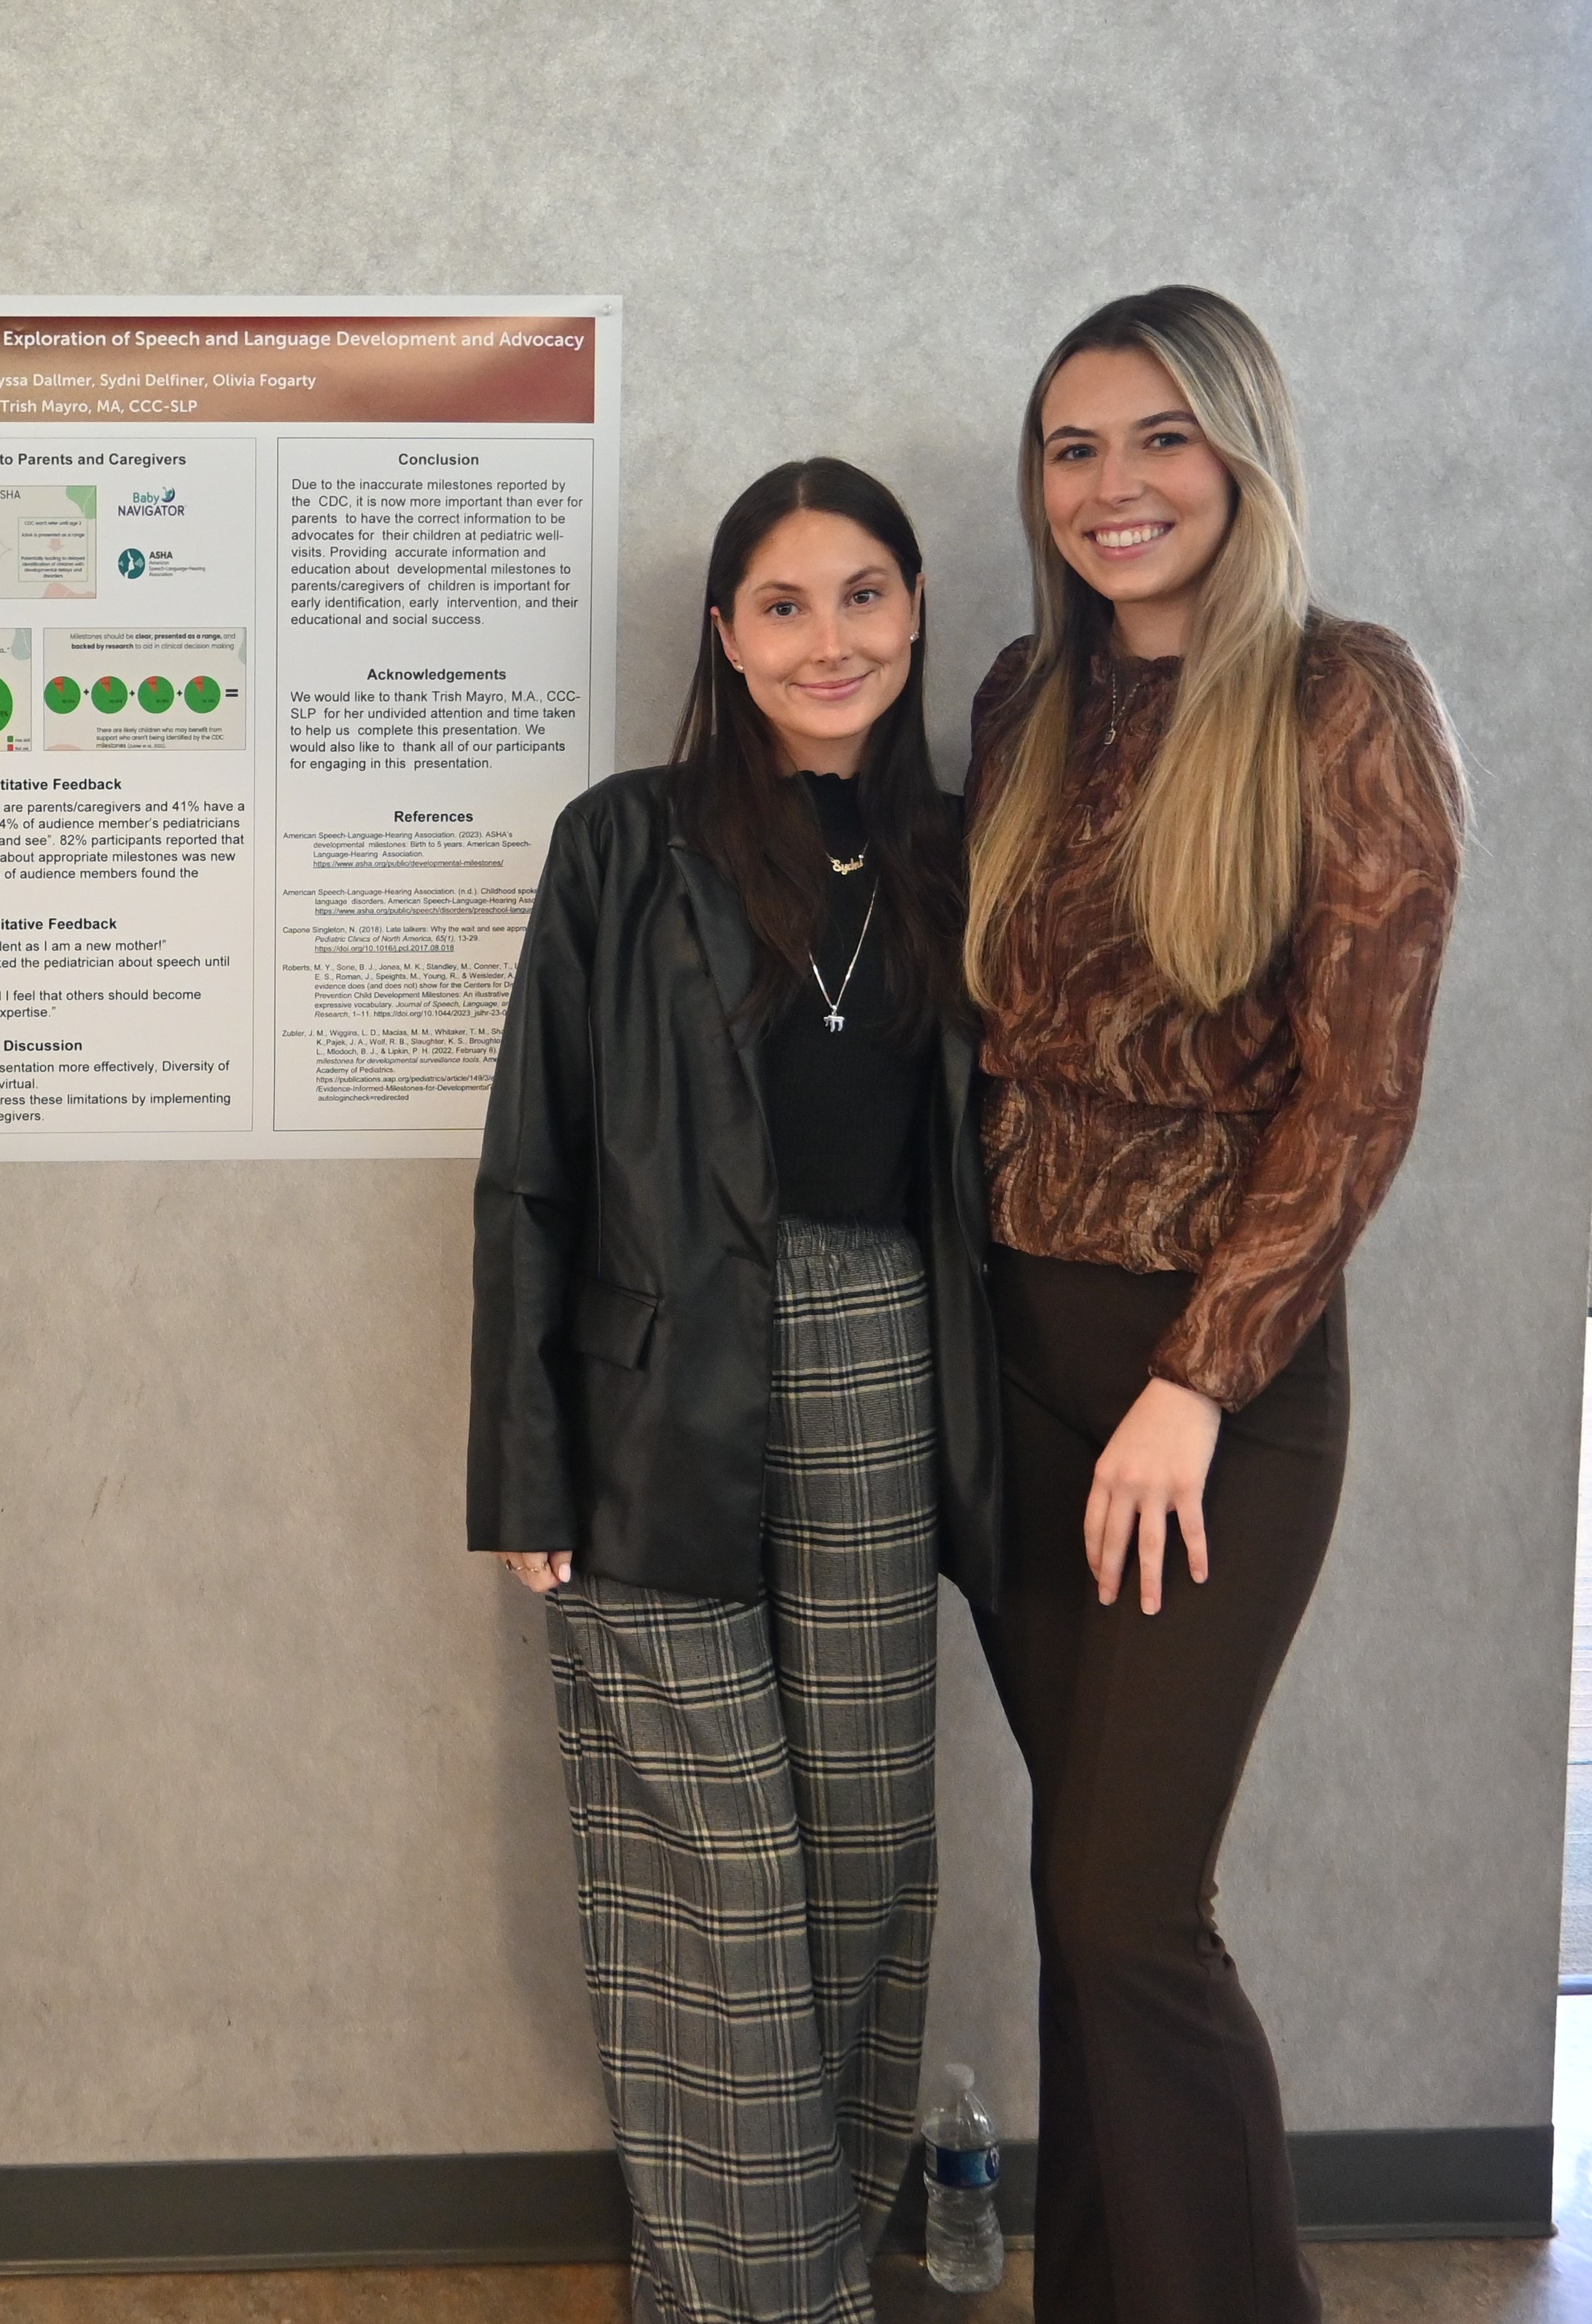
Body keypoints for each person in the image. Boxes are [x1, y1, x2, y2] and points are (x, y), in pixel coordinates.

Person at [963, 285, 1463, 2324]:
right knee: (1083, 1907)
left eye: (1162, 437)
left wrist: (1193, 1379)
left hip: (1210, 1392)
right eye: (1073, 447)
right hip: (1014, 1366)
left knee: (1128, 1909)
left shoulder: (1348, 698)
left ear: (1243, 452)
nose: (1116, 486)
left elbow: (1361, 1091)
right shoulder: (1026, 696)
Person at [469, 459, 1000, 2324]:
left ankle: (798, 2261)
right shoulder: (623, 844)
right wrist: (525, 1466)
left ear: (915, 610)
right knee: (715, 1881)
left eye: (863, 595)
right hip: (651, 1393)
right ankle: (760, 2302)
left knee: (859, 1856)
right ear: (725, 632)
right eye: (782, 604)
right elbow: (530, 1167)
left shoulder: (963, 850)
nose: (826, 638)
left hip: (887, 1366)